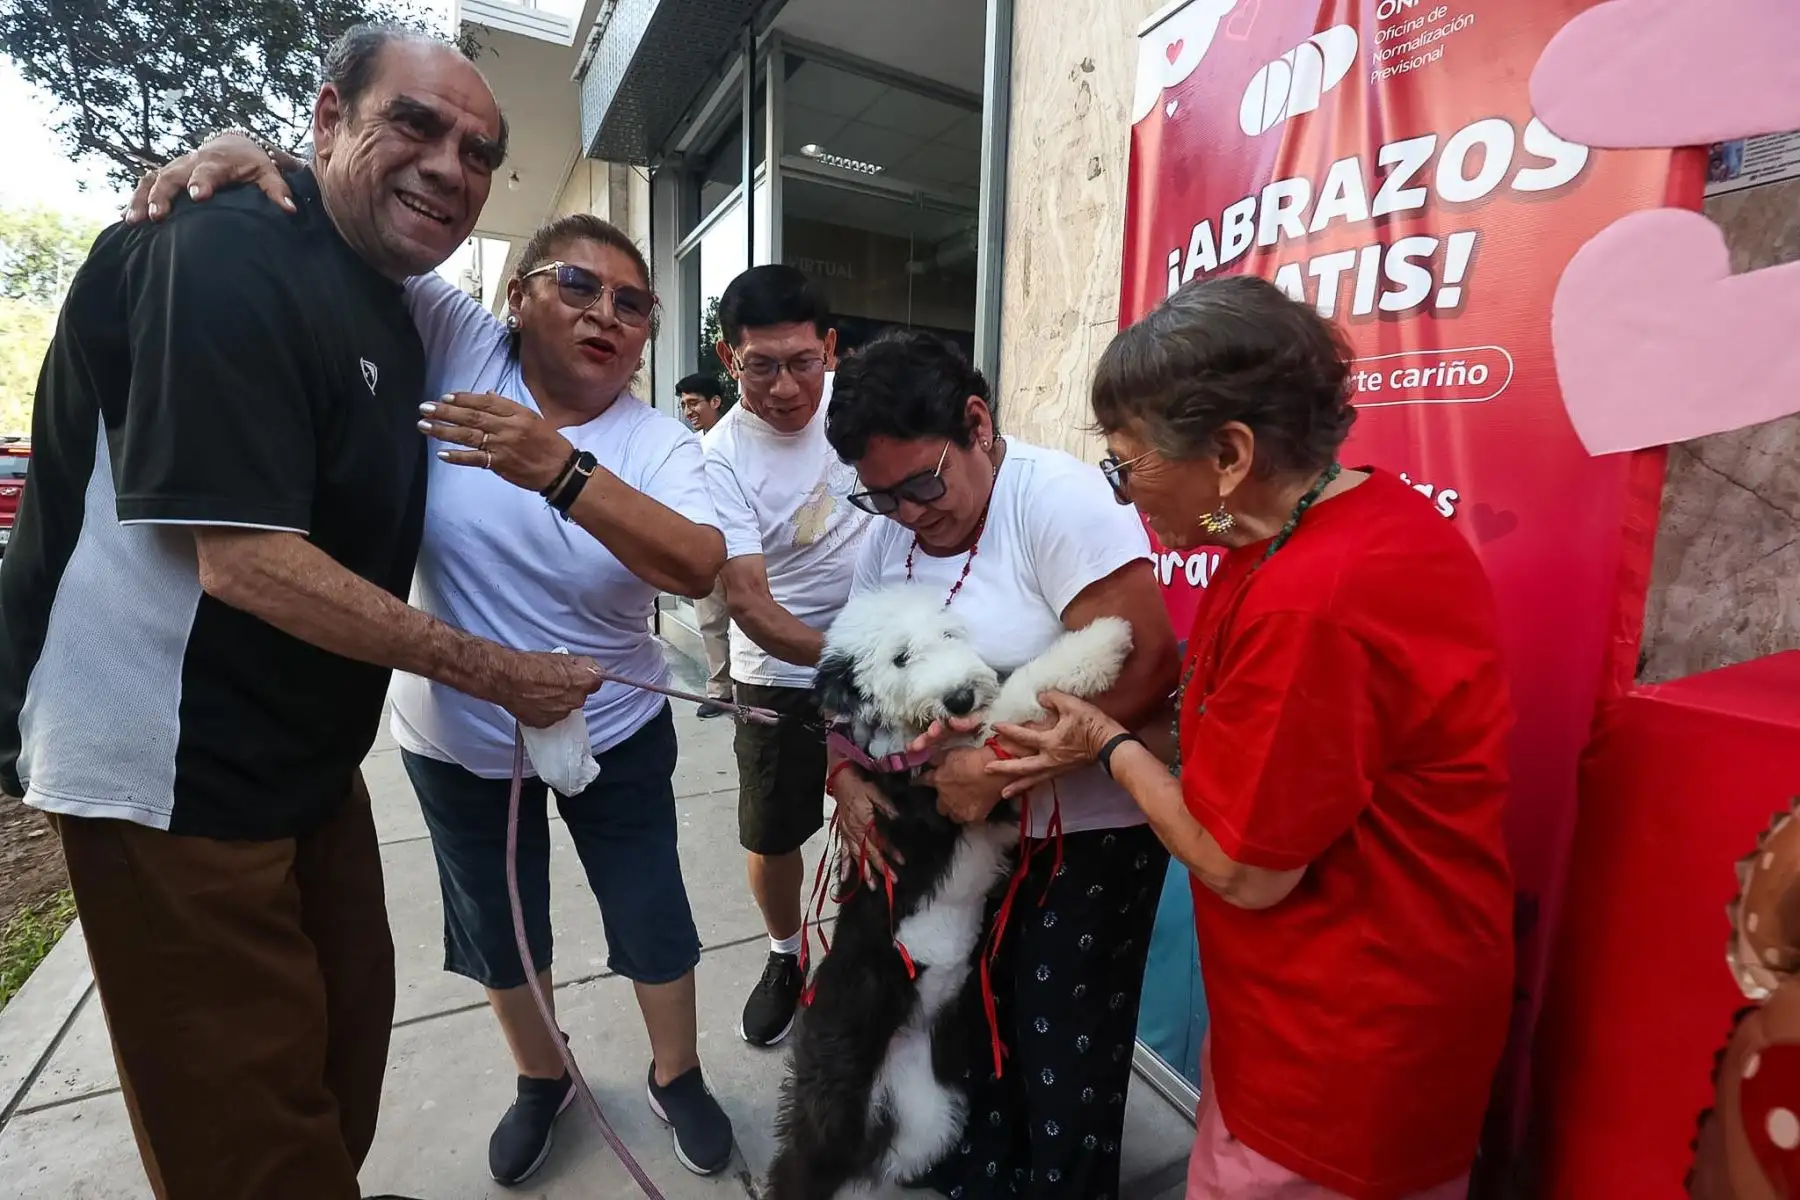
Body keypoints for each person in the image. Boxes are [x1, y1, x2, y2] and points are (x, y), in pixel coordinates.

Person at [0, 26, 605, 1200]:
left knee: (340, 1052)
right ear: (328, 118)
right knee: (246, 1131)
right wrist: (499, 670)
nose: (451, 166)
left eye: (479, 151)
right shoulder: (226, 246)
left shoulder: (398, 300)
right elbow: (245, 563)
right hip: (169, 771)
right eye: (416, 125)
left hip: (302, 759)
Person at [130, 170, 738, 1181]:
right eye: (577, 286)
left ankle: (677, 1075)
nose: (606, 315)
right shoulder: (459, 344)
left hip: (616, 727)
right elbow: (358, 218)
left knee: (651, 912)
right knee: (498, 929)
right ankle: (541, 1078)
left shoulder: (662, 442)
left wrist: (560, 467)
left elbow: (696, 563)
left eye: (633, 304)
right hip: (456, 735)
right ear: (517, 296)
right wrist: (266, 164)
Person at [987, 276, 1515, 1200]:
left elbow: (1241, 866)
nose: (1121, 495)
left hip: (1344, 1033)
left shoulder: (1318, 598)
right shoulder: (1287, 540)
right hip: (1319, 1001)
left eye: (1127, 464)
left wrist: (1108, 746)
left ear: (1229, 453)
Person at [823, 329, 1181, 1199]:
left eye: (921, 483)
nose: (908, 513)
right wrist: (845, 776)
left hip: (1083, 836)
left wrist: (995, 769)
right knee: (971, 1021)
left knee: (1064, 1043)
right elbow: (851, 676)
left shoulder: (1052, 501)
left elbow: (1142, 664)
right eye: (882, 498)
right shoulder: (892, 537)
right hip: (964, 840)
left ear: (977, 423)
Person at [702, 265, 872, 1047]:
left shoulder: (863, 400)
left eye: (802, 362)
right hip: (779, 673)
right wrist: (856, 657)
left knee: (889, 820)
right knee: (772, 835)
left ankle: (871, 954)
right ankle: (783, 954)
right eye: (759, 365)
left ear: (830, 347)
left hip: (883, 660)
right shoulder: (718, 457)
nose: (783, 388)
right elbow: (750, 602)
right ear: (728, 356)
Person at [676, 372, 736, 718]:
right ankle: (719, 690)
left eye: (695, 402)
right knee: (711, 620)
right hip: (707, 545)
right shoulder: (692, 444)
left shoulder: (738, 437)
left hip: (743, 548)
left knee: (747, 618)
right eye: (684, 405)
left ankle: (748, 689)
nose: (689, 411)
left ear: (716, 401)